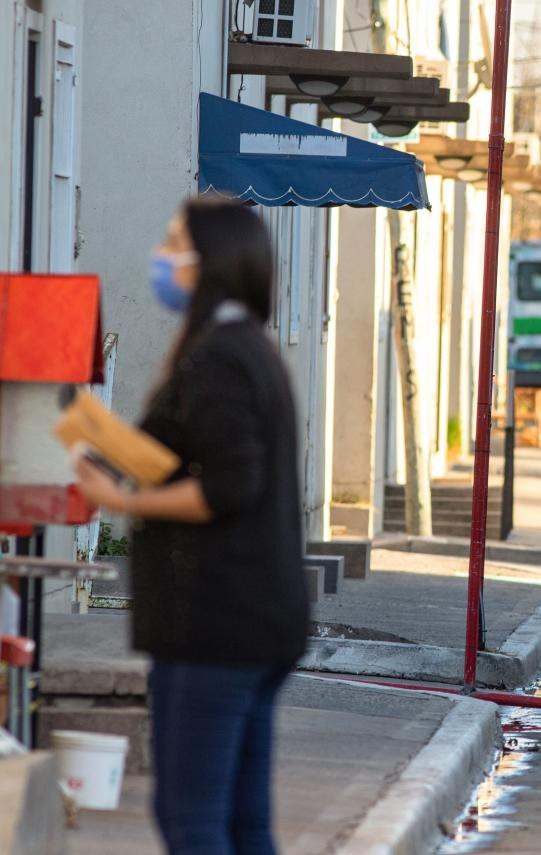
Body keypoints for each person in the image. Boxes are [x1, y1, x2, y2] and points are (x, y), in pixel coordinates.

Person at [74, 197, 309, 852]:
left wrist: (125, 503)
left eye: (175, 242)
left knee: (191, 819)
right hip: (256, 623)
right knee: (240, 821)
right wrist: (83, 437)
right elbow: (166, 448)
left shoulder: (221, 358)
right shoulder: (240, 349)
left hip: (216, 626)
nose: (161, 255)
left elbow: (227, 487)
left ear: (212, 263)